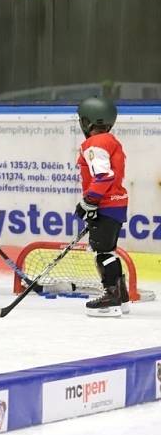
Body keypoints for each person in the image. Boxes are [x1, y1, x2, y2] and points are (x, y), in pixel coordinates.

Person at [75, 97, 130, 317]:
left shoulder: (95, 144)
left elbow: (103, 175)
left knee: (102, 253)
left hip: (105, 204)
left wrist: (89, 200)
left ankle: (111, 298)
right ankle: (122, 298)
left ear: (87, 121)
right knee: (109, 250)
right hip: (116, 204)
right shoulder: (110, 141)